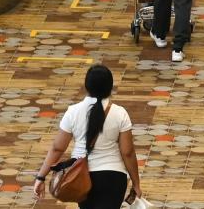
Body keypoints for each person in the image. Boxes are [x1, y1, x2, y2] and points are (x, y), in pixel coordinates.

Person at [33, 64, 143, 208]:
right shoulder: (120, 113)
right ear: (110, 87)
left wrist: (41, 177)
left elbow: (57, 149)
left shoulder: (73, 112)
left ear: (87, 86)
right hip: (114, 177)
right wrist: (136, 184)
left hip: (82, 177)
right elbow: (128, 153)